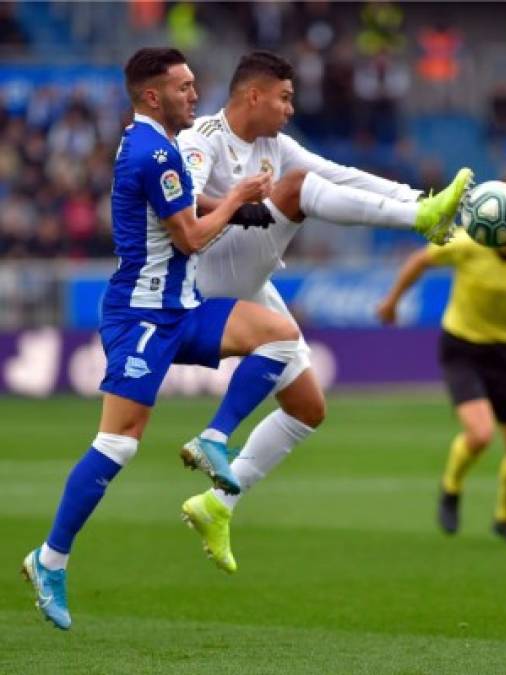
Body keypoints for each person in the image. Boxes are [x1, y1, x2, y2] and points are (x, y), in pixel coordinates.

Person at [21, 47, 304, 630]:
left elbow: (180, 203)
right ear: (153, 96)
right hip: (143, 317)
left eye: (194, 85)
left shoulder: (156, 144)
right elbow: (192, 240)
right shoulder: (154, 151)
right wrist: (234, 201)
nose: (195, 96)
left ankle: (215, 437)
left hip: (181, 307)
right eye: (183, 88)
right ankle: (49, 560)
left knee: (279, 334)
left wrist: (236, 209)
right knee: (119, 444)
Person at [175, 50, 473, 572]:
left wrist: (418, 199)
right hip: (207, 272)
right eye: (284, 97)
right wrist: (243, 205)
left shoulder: (275, 144)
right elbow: (182, 207)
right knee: (294, 191)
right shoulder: (202, 139)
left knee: (307, 408)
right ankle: (419, 218)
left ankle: (218, 505)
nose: (290, 108)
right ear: (253, 95)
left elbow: (347, 177)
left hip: (251, 276)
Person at [377, 176, 506, 546]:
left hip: (504, 352)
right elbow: (419, 261)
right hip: (461, 346)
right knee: (480, 435)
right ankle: (451, 488)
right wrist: (392, 302)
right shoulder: (468, 241)